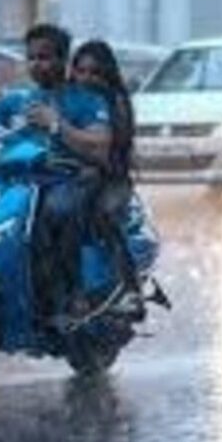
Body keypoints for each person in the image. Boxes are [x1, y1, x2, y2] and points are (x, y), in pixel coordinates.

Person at [0, 24, 113, 322]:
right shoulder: (13, 101)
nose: (37, 64)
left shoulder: (86, 100)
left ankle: (70, 294)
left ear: (64, 60)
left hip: (65, 181)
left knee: (55, 209)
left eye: (45, 57)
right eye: (32, 58)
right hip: (15, 183)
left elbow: (100, 145)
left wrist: (56, 124)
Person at [69, 40, 143, 306]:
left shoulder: (116, 102)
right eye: (81, 71)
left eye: (94, 72)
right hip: (66, 178)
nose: (86, 78)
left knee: (104, 217)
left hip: (111, 179)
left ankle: (130, 287)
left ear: (107, 74)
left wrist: (94, 165)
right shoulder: (65, 99)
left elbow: (114, 147)